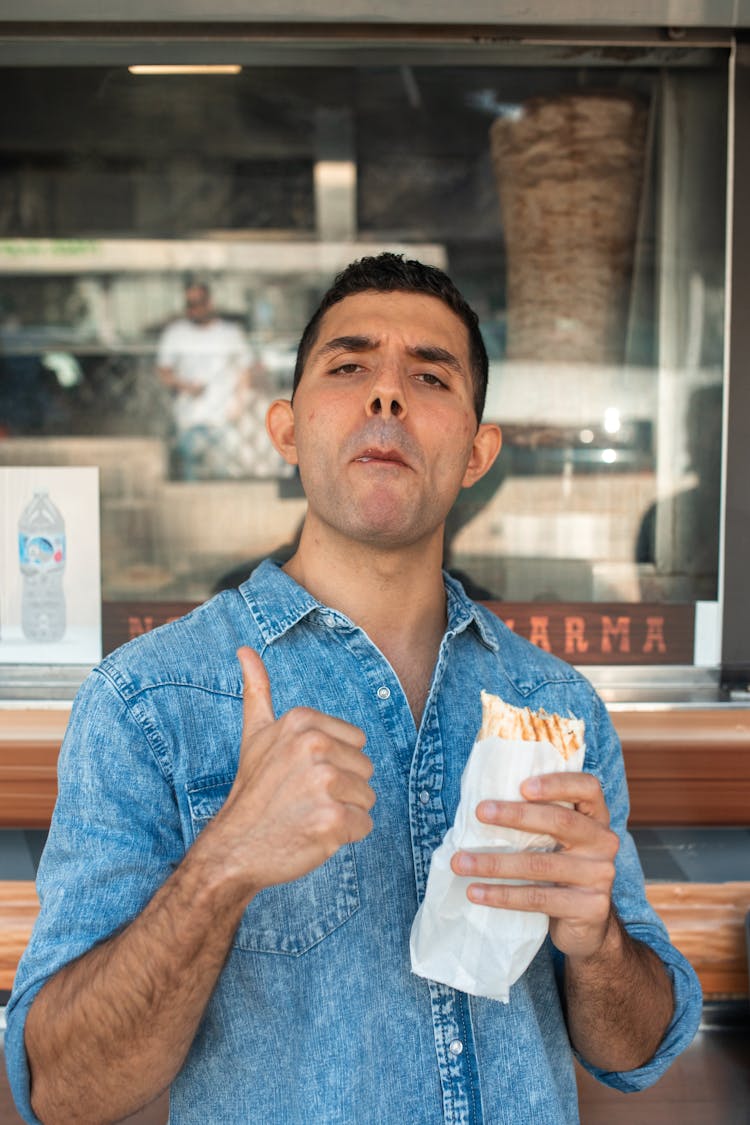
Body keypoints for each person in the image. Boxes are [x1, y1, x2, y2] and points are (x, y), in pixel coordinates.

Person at [6, 254, 701, 1125]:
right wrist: (223, 863)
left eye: (429, 375)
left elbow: (633, 1053)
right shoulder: (147, 699)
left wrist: (597, 942)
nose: (387, 396)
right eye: (349, 366)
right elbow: (65, 1090)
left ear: (478, 450)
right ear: (287, 429)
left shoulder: (557, 705)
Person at [157, 281, 253, 479]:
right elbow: (163, 372)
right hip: (188, 417)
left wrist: (239, 403)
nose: (194, 309)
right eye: (190, 304)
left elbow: (245, 370)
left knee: (223, 474)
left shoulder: (230, 333)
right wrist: (185, 386)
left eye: (199, 302)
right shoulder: (175, 333)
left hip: (222, 417)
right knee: (190, 474)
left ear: (209, 302)